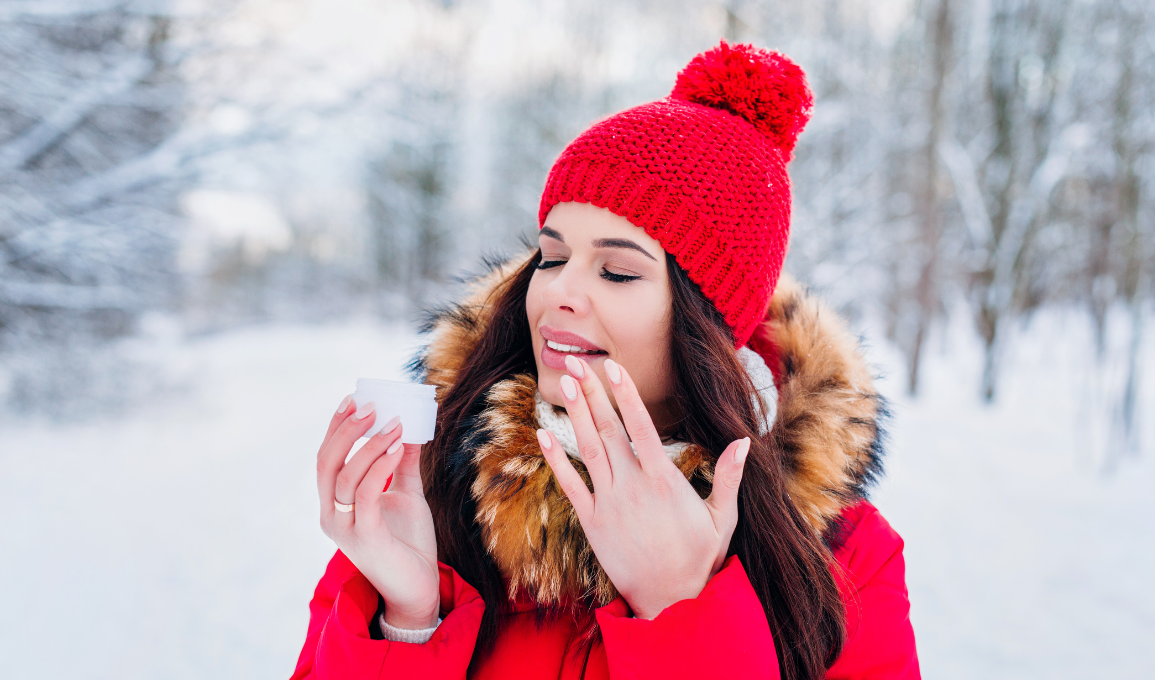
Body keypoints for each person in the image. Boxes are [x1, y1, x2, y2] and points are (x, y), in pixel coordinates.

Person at [291, 41, 919, 680]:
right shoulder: (435, 494)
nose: (559, 291)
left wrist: (683, 613)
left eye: (617, 271)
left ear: (711, 325)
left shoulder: (844, 559)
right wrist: (407, 618)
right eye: (553, 258)